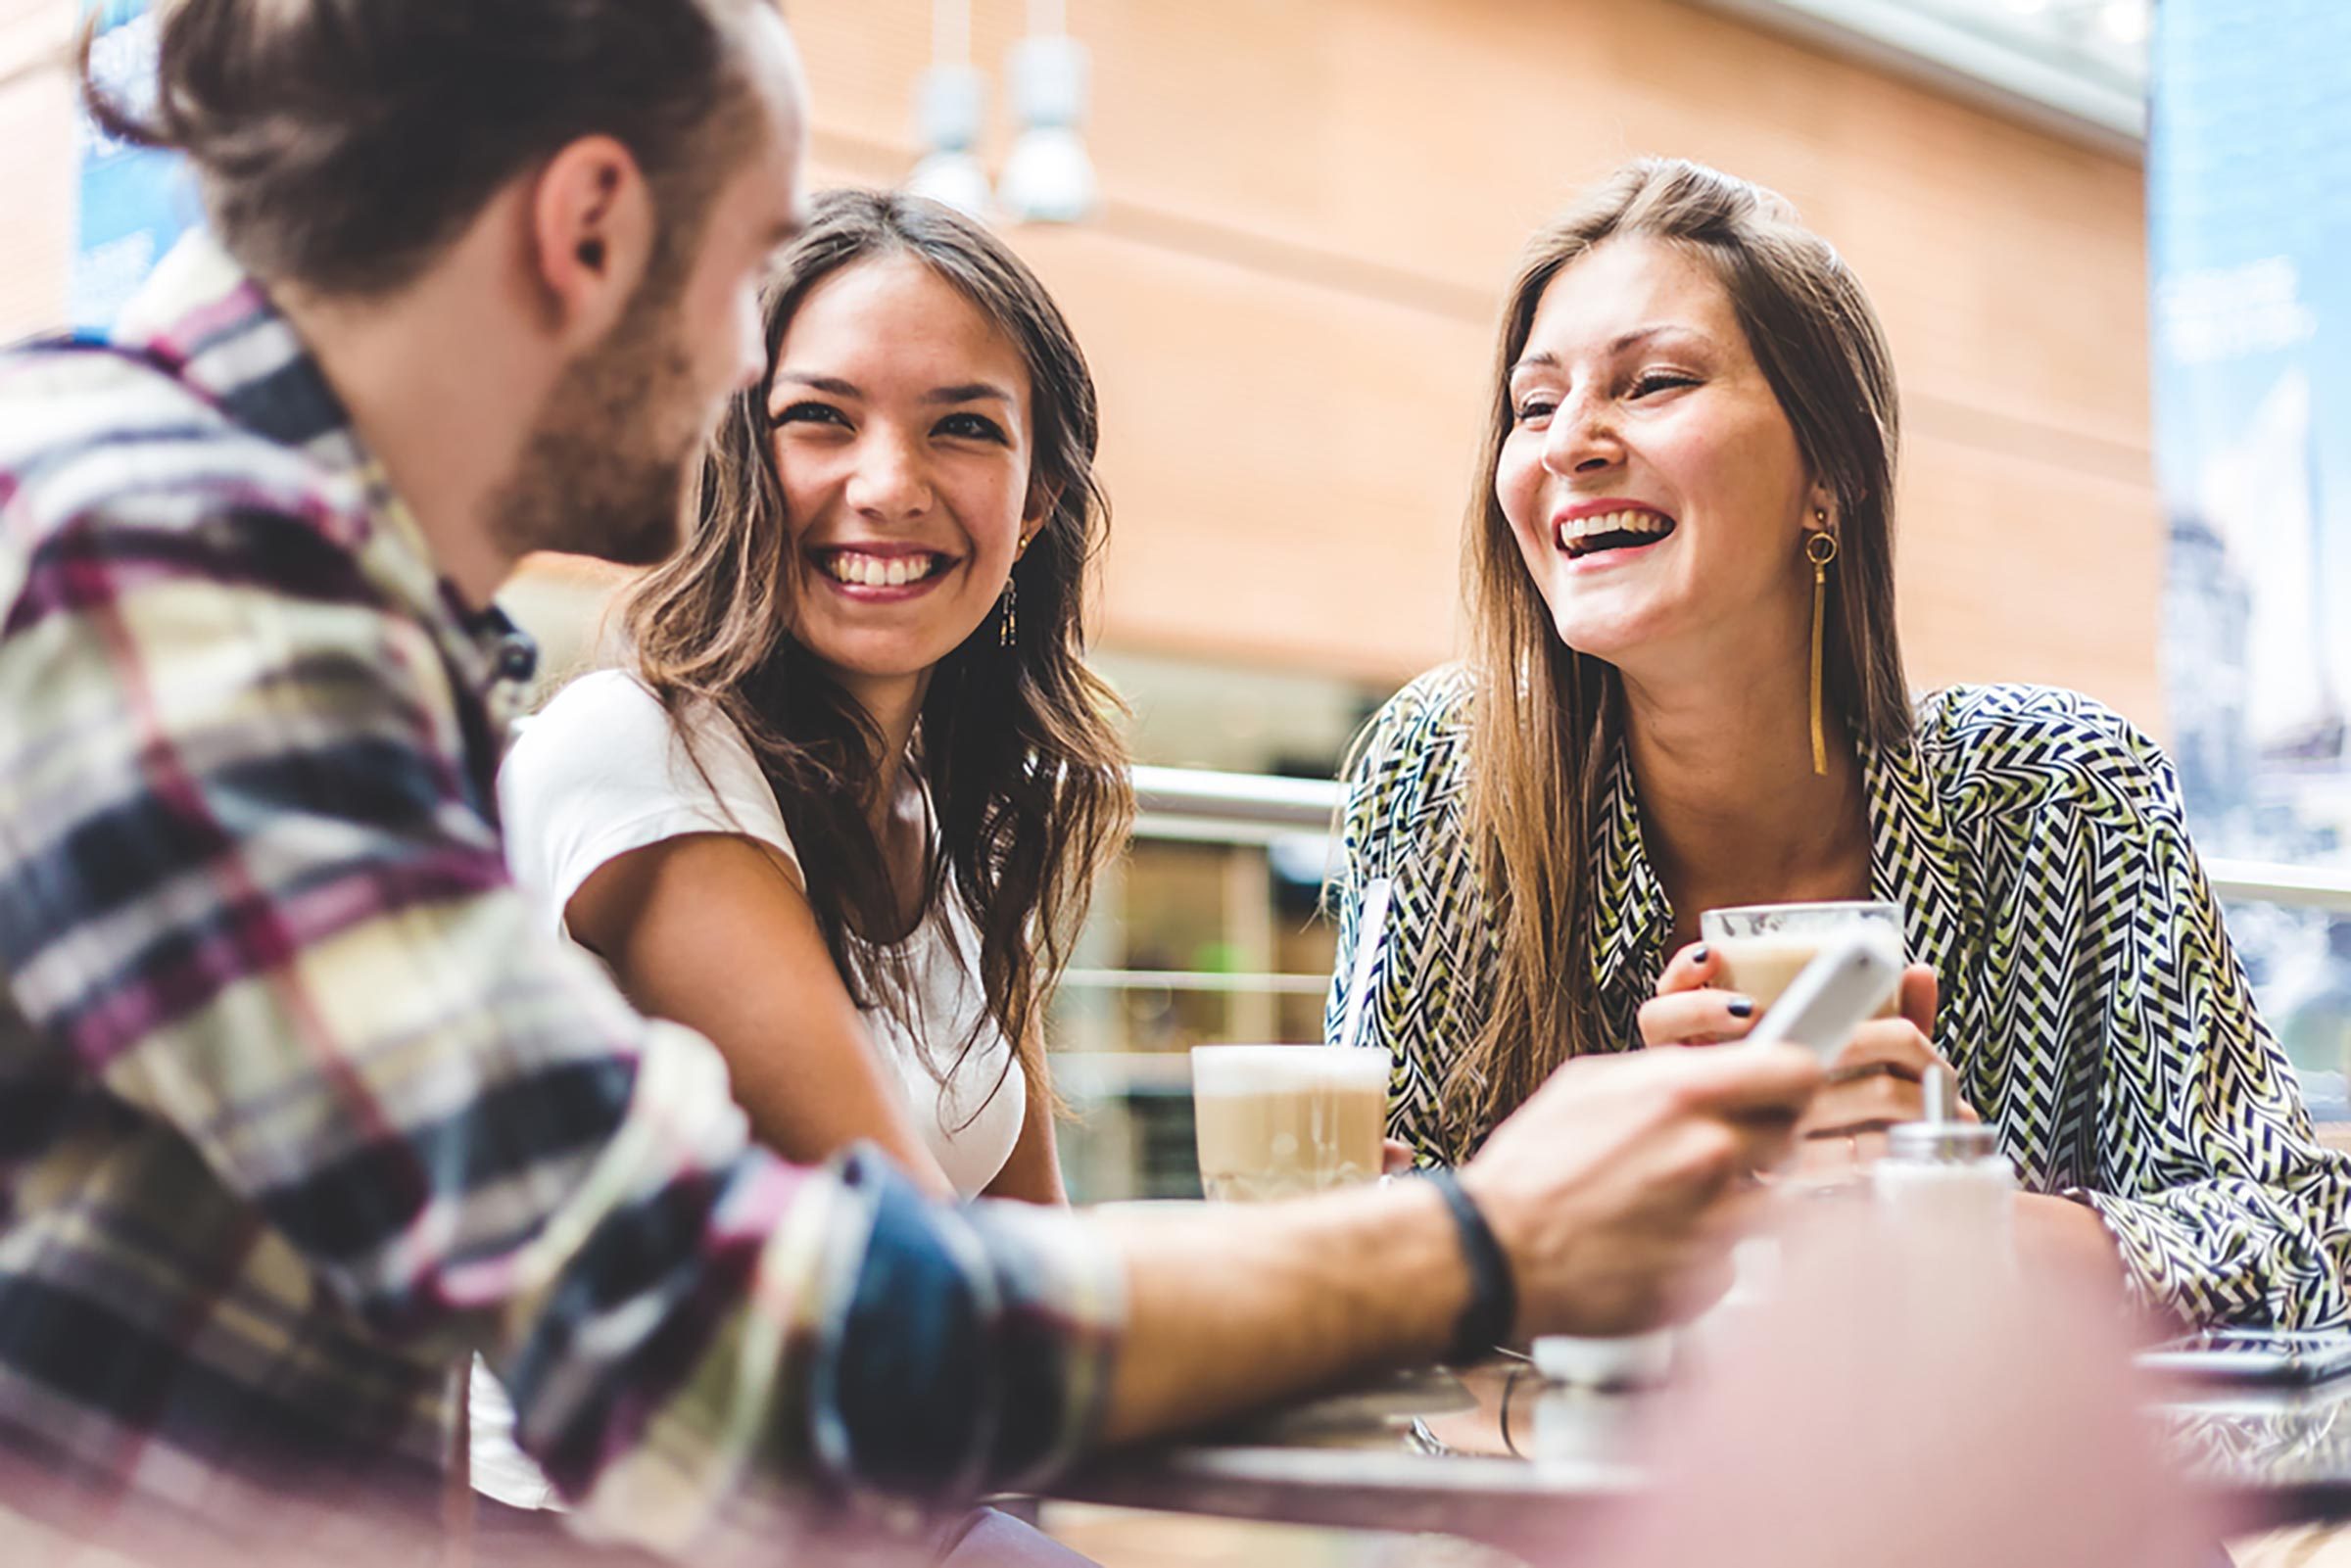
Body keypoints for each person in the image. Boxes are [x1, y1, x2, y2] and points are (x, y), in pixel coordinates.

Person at [0, 9, 1824, 1563]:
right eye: (754, 287)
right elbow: (714, 1340)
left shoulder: (276, 578)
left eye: (962, 425)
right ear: (588, 228)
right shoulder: (162, 573)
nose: (745, 377)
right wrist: (1485, 1241)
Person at [1325, 157, 2351, 1332]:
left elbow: (2305, 1237)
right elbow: (1362, 1230)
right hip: (1561, 1504)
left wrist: (1956, 1213)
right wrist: (1589, 1190)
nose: (1570, 442)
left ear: (1833, 471)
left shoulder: (2063, 793)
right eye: (1534, 403)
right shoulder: (1439, 773)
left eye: (1653, 381)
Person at [473, 187, 1120, 1523]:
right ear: (733, 453)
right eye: (817, 417)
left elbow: (1032, 1257)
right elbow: (932, 1276)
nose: (888, 484)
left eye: (964, 427)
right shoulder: (641, 758)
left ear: (1038, 491)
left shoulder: (951, 823)